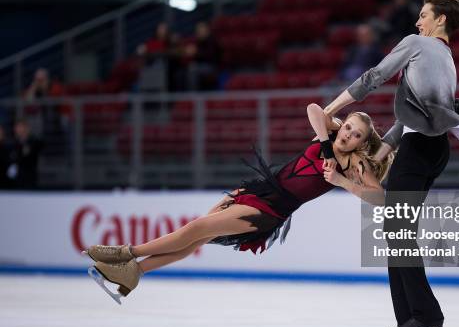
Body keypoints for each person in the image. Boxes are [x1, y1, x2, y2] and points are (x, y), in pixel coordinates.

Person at [83, 105, 393, 300]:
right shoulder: (328, 135)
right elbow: (314, 109)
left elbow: (378, 198)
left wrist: (340, 182)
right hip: (259, 190)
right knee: (199, 236)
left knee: (198, 228)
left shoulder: (354, 166)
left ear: (362, 143)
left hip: (270, 210)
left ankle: (126, 254)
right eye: (349, 127)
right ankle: (135, 273)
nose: (348, 134)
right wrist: (326, 144)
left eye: (356, 135)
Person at [322, 0, 459, 327]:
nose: (417, 22)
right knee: (397, 232)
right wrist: (378, 157)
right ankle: (414, 315)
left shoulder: (417, 45)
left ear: (440, 20)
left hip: (417, 151)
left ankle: (425, 314)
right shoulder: (447, 58)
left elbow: (373, 76)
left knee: (397, 233)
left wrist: (330, 108)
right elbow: (410, 120)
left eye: (424, 15)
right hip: (434, 150)